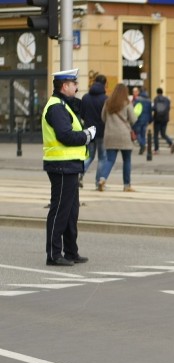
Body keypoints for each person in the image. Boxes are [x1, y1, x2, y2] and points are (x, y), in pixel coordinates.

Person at [42, 68, 96, 267]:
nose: (77, 87)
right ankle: (54, 254)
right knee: (60, 211)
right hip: (61, 166)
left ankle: (71, 251)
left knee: (71, 212)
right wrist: (87, 135)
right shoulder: (56, 107)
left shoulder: (65, 105)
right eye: (74, 84)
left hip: (70, 165)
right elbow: (64, 135)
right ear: (65, 86)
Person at [97, 83, 137, 193]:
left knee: (110, 160)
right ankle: (126, 185)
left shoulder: (108, 103)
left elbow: (103, 118)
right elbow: (133, 119)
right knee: (127, 160)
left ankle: (102, 179)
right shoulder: (127, 103)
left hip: (110, 134)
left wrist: (111, 124)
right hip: (124, 135)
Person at [80, 74, 107, 189]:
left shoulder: (85, 97)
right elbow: (106, 116)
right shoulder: (105, 99)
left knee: (89, 156)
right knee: (102, 158)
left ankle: (79, 175)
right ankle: (98, 183)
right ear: (104, 84)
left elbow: (81, 114)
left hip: (89, 131)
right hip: (101, 132)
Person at [152, 87, 174, 155]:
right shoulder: (167, 100)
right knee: (163, 134)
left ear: (157, 93)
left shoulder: (156, 99)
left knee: (156, 135)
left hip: (157, 120)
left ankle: (156, 149)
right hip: (165, 120)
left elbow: (154, 108)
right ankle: (171, 143)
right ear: (162, 92)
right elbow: (168, 108)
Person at [132, 88, 152, 154]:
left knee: (137, 133)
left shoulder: (137, 100)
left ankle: (142, 145)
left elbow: (134, 109)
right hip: (146, 120)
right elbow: (150, 111)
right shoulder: (149, 101)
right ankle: (142, 147)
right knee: (143, 134)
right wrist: (150, 119)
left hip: (139, 119)